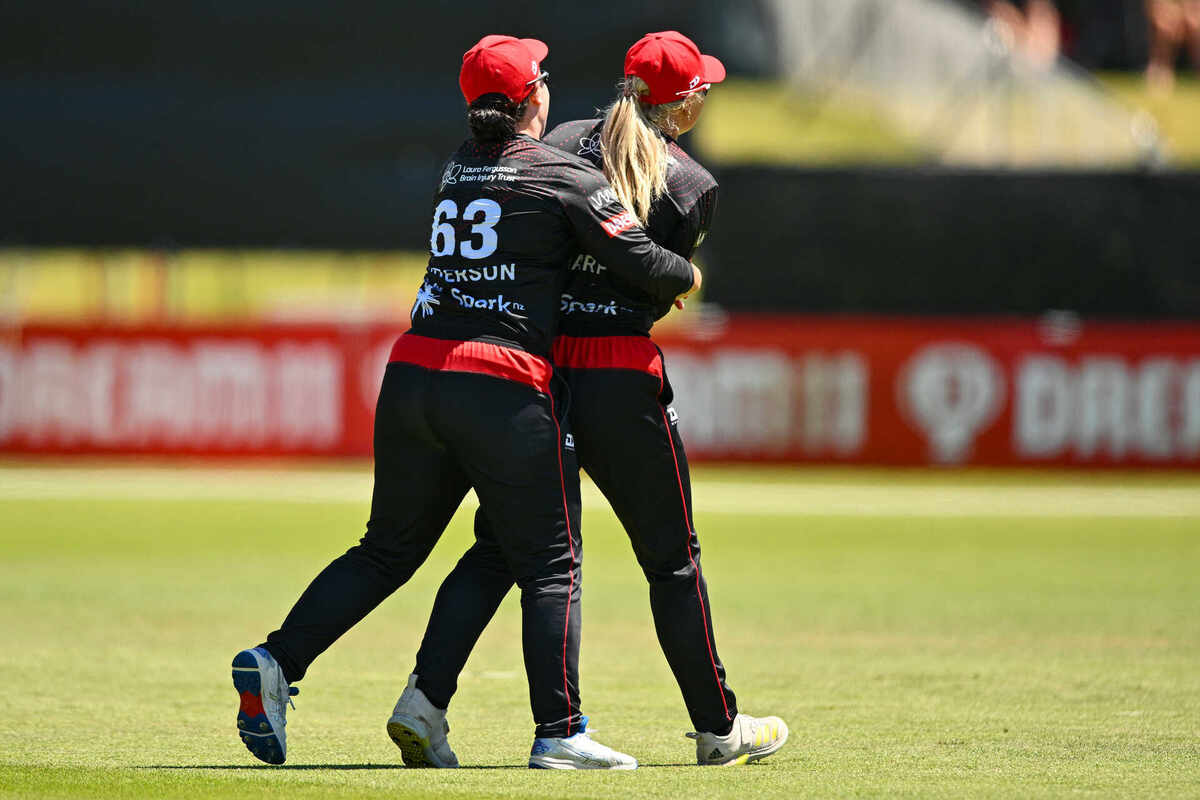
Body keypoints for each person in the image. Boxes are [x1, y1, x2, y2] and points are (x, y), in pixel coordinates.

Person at [230, 34, 700, 770]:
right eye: (541, 80)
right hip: (498, 385)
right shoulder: (558, 175)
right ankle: (560, 731)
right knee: (552, 562)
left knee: (386, 550)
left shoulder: (458, 166)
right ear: (531, 99)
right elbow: (644, 261)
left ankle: (277, 660)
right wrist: (688, 274)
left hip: (413, 371)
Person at [388, 31, 788, 770]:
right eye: (705, 88)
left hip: (541, 376)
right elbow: (656, 282)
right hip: (621, 378)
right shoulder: (694, 186)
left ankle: (423, 701)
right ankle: (718, 729)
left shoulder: (564, 140)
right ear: (688, 101)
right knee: (672, 563)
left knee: (502, 550)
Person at [1145, 0, 1200, 91]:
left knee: (1196, 24)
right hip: (1167, 9)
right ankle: (1160, 70)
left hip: (1189, 10)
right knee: (1166, 24)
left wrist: (1190, 12)